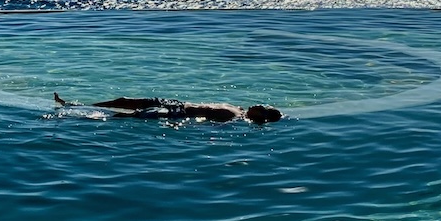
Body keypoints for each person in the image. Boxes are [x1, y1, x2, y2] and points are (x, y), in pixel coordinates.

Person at [53, 92, 283, 124]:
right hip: (174, 104)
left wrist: (175, 125)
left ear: (261, 116)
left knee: (128, 116)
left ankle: (72, 117)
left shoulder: (231, 118)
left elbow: (202, 124)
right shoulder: (238, 109)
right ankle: (75, 105)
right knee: (123, 100)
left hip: (176, 113)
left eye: (262, 107)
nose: (259, 104)